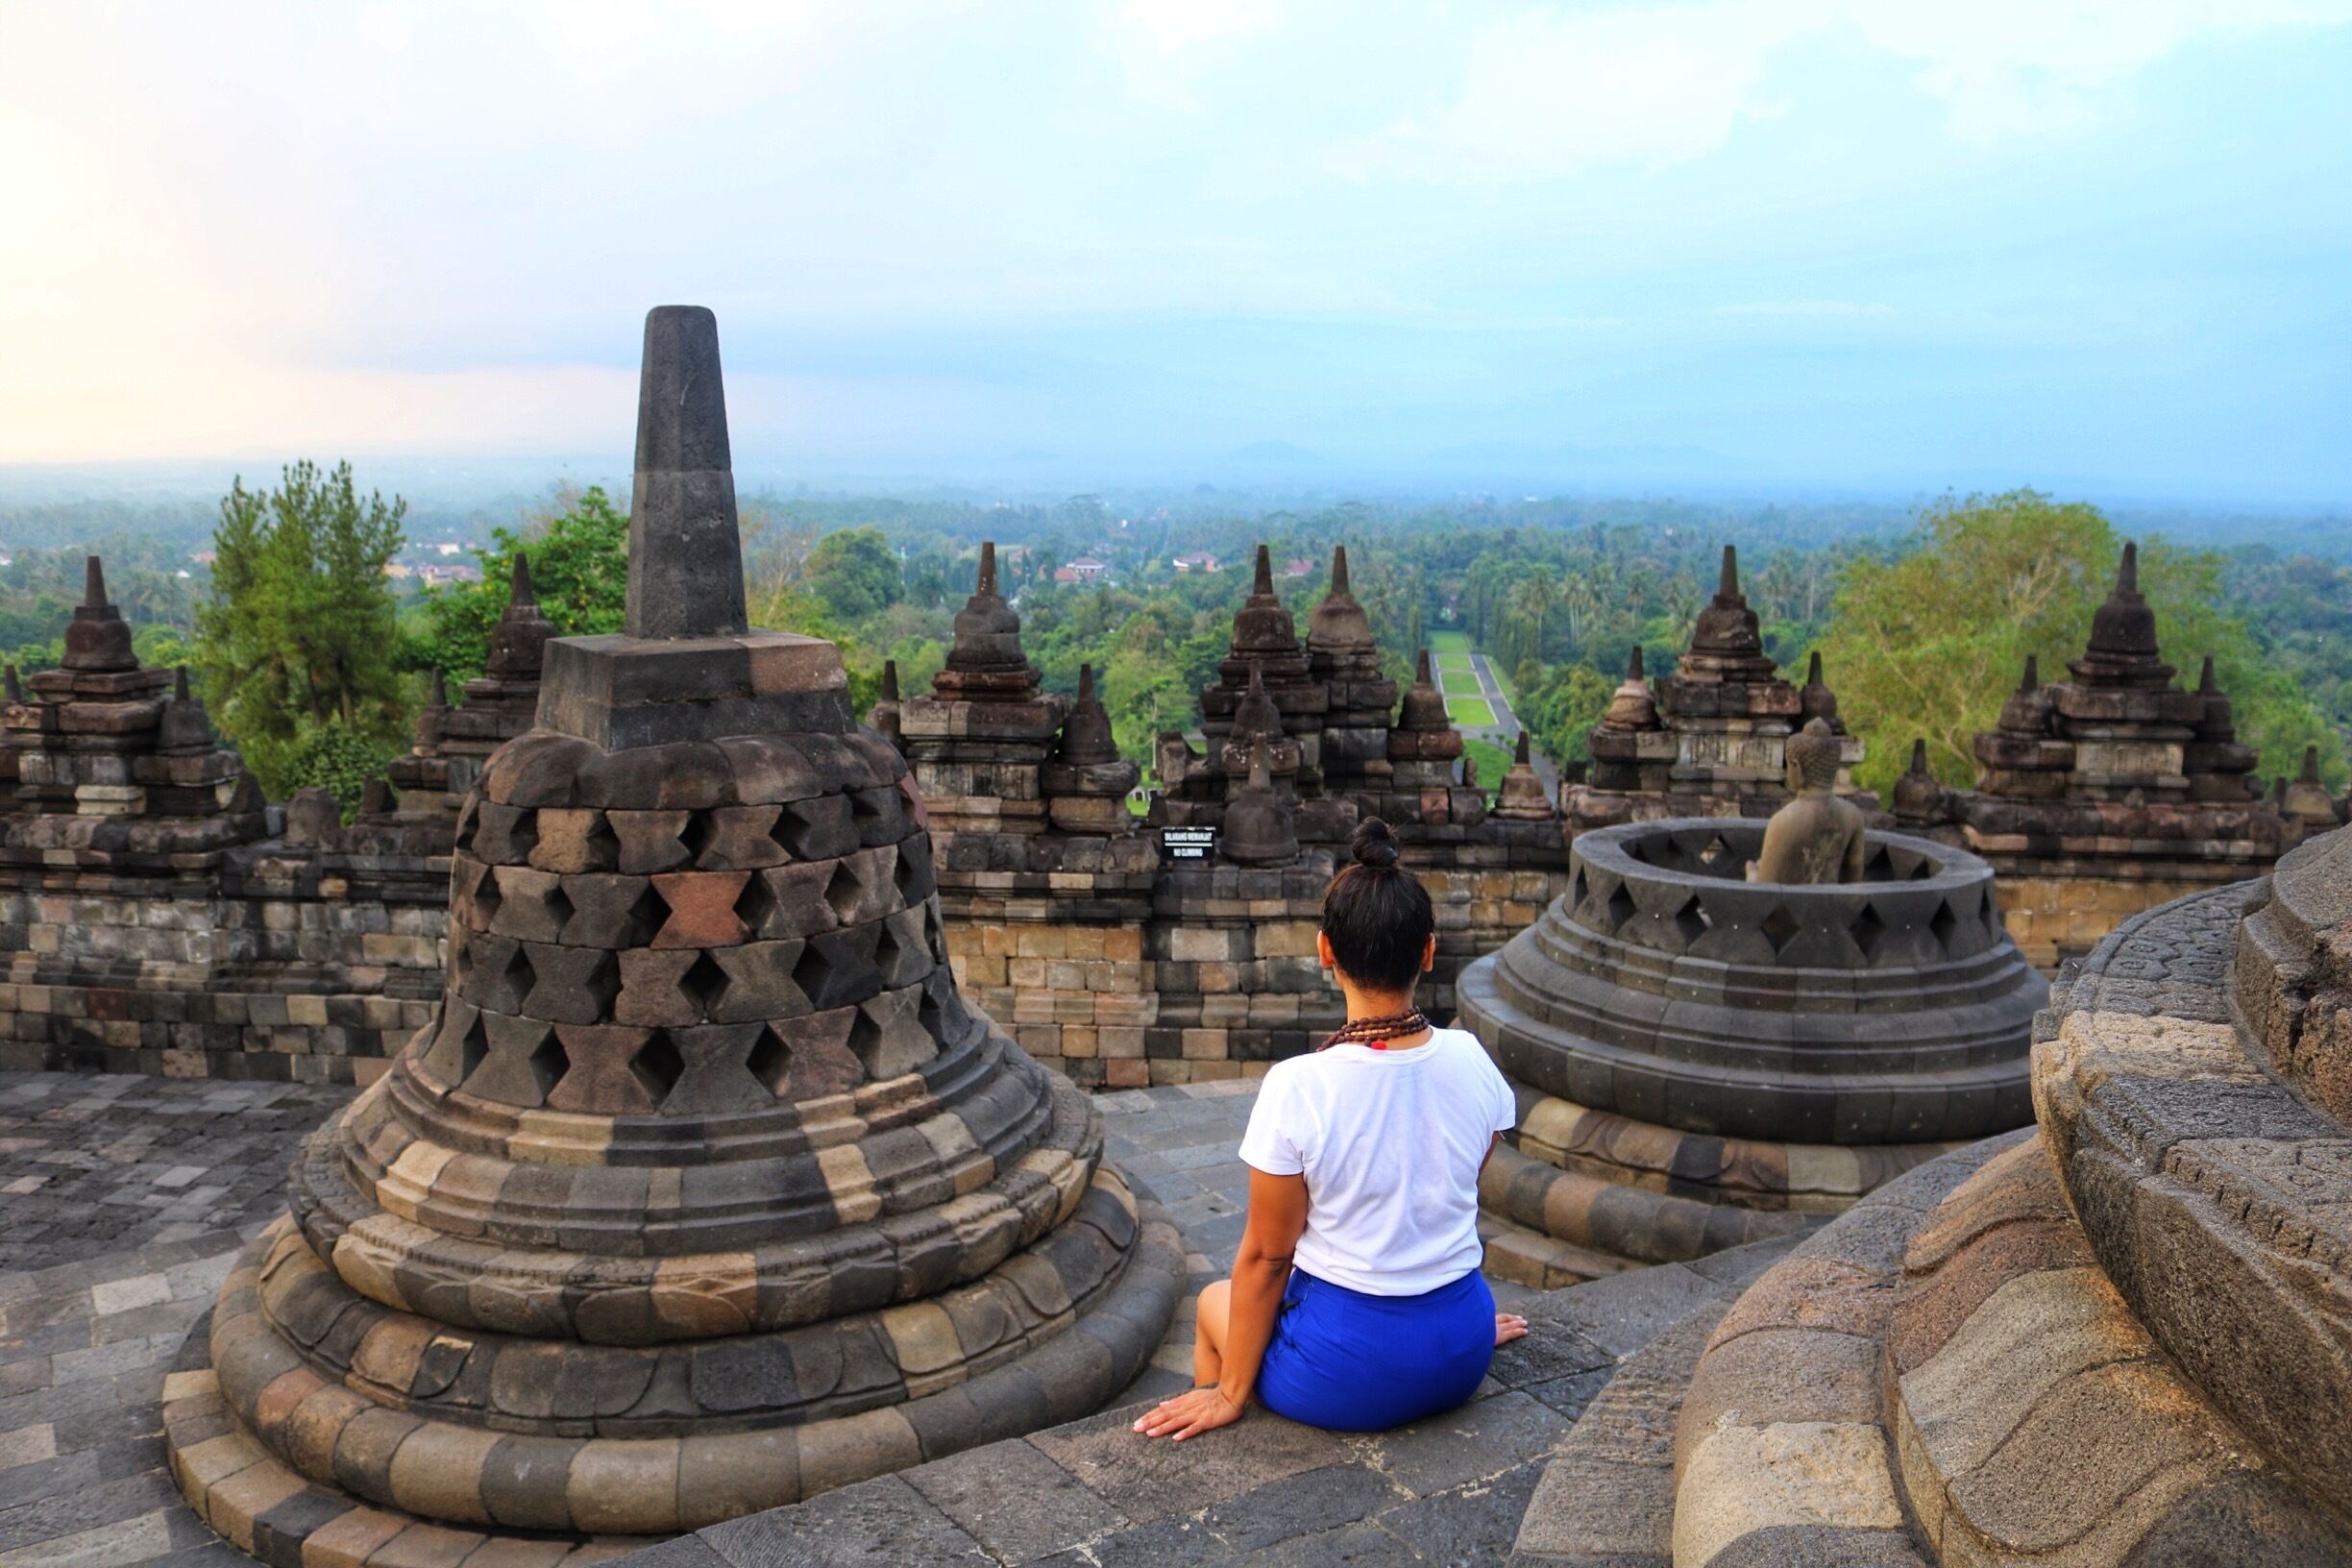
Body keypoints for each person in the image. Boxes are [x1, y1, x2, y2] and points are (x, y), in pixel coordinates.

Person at [1135, 817, 1528, 1441]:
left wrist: (1236, 1388)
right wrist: (1457, 1321)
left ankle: (1221, 1410)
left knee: (1215, 1302)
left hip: (1352, 1375)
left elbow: (1268, 1255)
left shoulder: (1300, 1086)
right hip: (1462, 1349)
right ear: (1428, 951)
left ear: (1325, 952)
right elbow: (1447, 1192)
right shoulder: (1473, 1059)